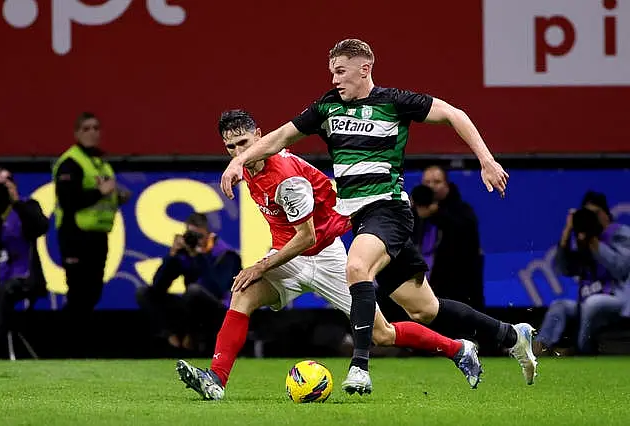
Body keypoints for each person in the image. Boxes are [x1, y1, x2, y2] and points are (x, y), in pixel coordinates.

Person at [220, 39, 537, 394]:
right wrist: (239, 161)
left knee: (356, 267)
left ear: (364, 68)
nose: (335, 79)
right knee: (425, 310)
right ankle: (510, 334)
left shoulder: (394, 101)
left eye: (341, 71)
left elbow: (453, 114)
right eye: (332, 72)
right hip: (362, 218)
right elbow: (280, 136)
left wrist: (486, 159)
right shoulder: (328, 107)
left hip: (388, 209)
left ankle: (359, 366)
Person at [176, 110, 482, 401]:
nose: (238, 151)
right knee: (242, 294)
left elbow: (307, 236)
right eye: (231, 146)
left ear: (259, 135)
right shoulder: (246, 165)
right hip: (290, 257)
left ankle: (458, 349)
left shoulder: (286, 178)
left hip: (325, 256)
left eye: (244, 143)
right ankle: (215, 380)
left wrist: (261, 265)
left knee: (382, 334)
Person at [52, 112, 130, 355]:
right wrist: (101, 192)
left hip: (98, 236)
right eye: (86, 128)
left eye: (96, 127)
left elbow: (106, 195)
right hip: (75, 235)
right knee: (78, 292)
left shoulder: (100, 163)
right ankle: (65, 348)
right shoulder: (70, 162)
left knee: (93, 292)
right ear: (77, 133)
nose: (92, 132)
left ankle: (77, 348)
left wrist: (117, 195)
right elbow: (68, 200)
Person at [534, 192, 630, 355]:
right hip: (588, 302)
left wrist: (596, 245)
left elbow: (621, 269)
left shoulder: (621, 234)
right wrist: (566, 234)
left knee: (593, 303)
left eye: (594, 214)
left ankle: (581, 352)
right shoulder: (584, 238)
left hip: (620, 300)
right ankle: (538, 349)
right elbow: (565, 269)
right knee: (560, 306)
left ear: (605, 214)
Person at [136, 212, 241, 352]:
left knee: (194, 291)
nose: (196, 240)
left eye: (199, 236)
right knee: (144, 292)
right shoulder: (185, 253)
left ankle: (191, 337)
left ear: (208, 234)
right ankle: (172, 336)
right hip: (190, 306)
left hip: (219, 310)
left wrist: (199, 256)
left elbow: (217, 288)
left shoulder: (226, 255)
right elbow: (159, 287)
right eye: (191, 235)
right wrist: (172, 256)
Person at [0, 168, 48, 356]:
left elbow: (41, 226)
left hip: (24, 276)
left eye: (4, 183)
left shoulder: (27, 206)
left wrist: (17, 204)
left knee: (6, 290)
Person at [411, 181, 484, 311]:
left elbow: (464, 239)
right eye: (427, 182)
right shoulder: (412, 215)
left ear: (446, 185)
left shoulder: (461, 213)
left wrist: (437, 213)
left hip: (454, 289)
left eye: (436, 182)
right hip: (419, 287)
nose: (431, 186)